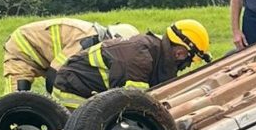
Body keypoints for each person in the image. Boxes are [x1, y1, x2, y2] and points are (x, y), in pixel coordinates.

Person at [51, 19, 212, 109]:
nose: (187, 66)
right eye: (190, 60)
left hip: (84, 88)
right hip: (71, 92)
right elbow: (133, 105)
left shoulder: (153, 52)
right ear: (180, 53)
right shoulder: (141, 59)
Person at [3, 18, 139, 93]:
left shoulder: (93, 38)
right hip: (21, 50)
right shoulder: (88, 38)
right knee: (13, 102)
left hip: (40, 56)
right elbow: (56, 73)